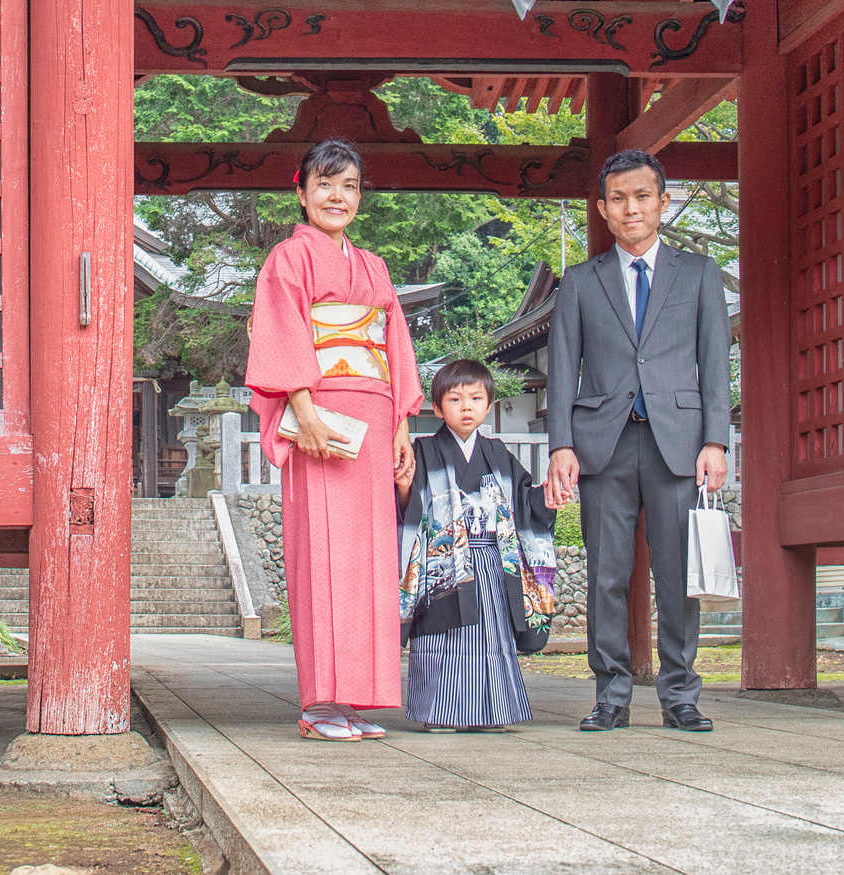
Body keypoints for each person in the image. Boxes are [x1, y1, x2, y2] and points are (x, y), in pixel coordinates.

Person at [543, 147, 731, 732]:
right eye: (618, 199)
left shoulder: (698, 274)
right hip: (604, 444)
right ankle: (612, 695)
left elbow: (714, 362)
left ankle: (680, 694)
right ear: (602, 208)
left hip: (679, 442)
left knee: (679, 574)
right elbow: (562, 367)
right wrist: (560, 445)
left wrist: (716, 440)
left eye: (642, 196)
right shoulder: (580, 281)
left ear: (662, 201)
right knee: (607, 574)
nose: (631, 209)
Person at [243, 138, 421, 740]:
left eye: (347, 186)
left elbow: (394, 348)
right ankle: (319, 705)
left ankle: (354, 703)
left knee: (369, 562)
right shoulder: (288, 260)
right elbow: (281, 332)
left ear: (360, 196)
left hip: (373, 419)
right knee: (322, 558)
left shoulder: (375, 267)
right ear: (302, 192)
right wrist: (302, 409)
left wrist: (401, 426)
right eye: (324, 185)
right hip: (319, 415)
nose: (336, 196)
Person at [397, 357, 558, 732]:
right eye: (454, 400)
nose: (466, 407)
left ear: (489, 404)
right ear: (436, 407)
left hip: (492, 561)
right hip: (444, 564)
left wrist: (545, 501)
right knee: (443, 635)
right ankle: (440, 713)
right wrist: (405, 488)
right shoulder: (424, 451)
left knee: (492, 635)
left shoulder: (498, 453)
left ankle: (490, 711)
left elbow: (523, 502)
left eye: (475, 398)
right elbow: (409, 510)